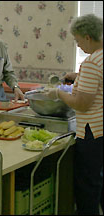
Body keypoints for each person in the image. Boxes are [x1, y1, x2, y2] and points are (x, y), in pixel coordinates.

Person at [44, 14, 103, 215]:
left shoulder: (92, 63)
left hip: (93, 132)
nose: (78, 46)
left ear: (88, 37)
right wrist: (78, 77)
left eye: (78, 40)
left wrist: (59, 93)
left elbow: (82, 104)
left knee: (88, 186)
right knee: (99, 182)